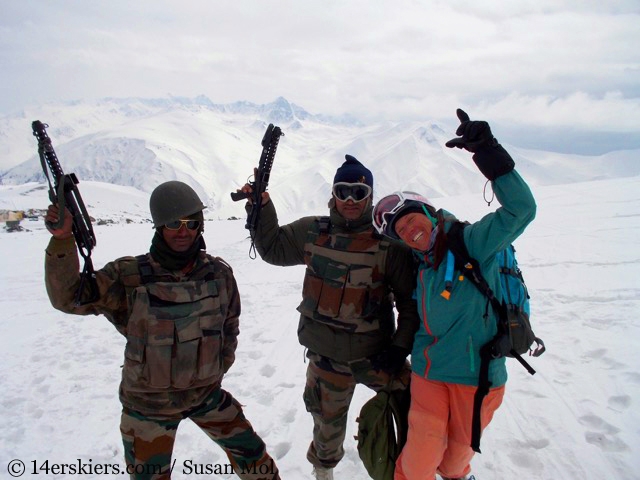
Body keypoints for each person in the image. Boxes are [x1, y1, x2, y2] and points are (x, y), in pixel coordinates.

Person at [44, 180, 280, 480]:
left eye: (191, 223)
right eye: (173, 224)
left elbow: (230, 325)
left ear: (201, 225)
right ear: (159, 226)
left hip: (204, 394)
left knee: (256, 461)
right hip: (148, 406)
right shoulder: (129, 276)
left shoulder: (218, 274)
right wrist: (63, 240)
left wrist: (217, 367)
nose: (183, 231)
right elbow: (67, 297)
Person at [372, 109, 537, 480]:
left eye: (412, 219)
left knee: (455, 462)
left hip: (479, 377)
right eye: (400, 230)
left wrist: (489, 154)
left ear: (430, 214)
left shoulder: (472, 242)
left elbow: (522, 210)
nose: (410, 230)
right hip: (430, 374)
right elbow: (421, 320)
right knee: (417, 464)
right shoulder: (422, 268)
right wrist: (401, 350)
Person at [239, 155, 420, 480]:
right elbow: (273, 249)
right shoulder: (313, 231)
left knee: (420, 400)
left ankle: (414, 465)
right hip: (327, 361)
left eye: (358, 191)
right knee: (327, 424)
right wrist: (260, 207)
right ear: (333, 193)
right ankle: (324, 471)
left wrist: (399, 348)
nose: (350, 199)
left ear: (369, 195)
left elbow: (410, 304)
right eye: (343, 190)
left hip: (377, 357)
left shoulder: (388, 247)